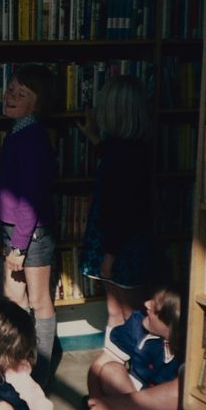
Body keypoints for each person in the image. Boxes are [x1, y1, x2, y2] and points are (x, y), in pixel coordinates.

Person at [76, 74, 154, 336]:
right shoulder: (133, 151)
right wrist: (95, 139)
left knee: (129, 313)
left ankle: (132, 367)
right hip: (124, 244)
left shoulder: (123, 157)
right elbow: (111, 159)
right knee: (120, 311)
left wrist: (109, 255)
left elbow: (122, 210)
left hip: (119, 247)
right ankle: (117, 363)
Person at [0, 63, 59, 387]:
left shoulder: (31, 138)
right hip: (17, 231)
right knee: (13, 300)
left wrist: (19, 246)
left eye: (21, 94)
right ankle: (17, 366)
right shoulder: (19, 130)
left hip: (29, 234)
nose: (11, 96)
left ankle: (43, 374)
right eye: (10, 89)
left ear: (37, 103)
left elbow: (31, 198)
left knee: (38, 301)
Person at [86, 287, 182, 410]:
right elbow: (97, 367)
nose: (146, 304)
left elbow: (179, 404)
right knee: (110, 370)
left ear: (171, 327)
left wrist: (116, 404)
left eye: (155, 307)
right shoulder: (138, 323)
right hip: (136, 402)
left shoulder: (187, 349)